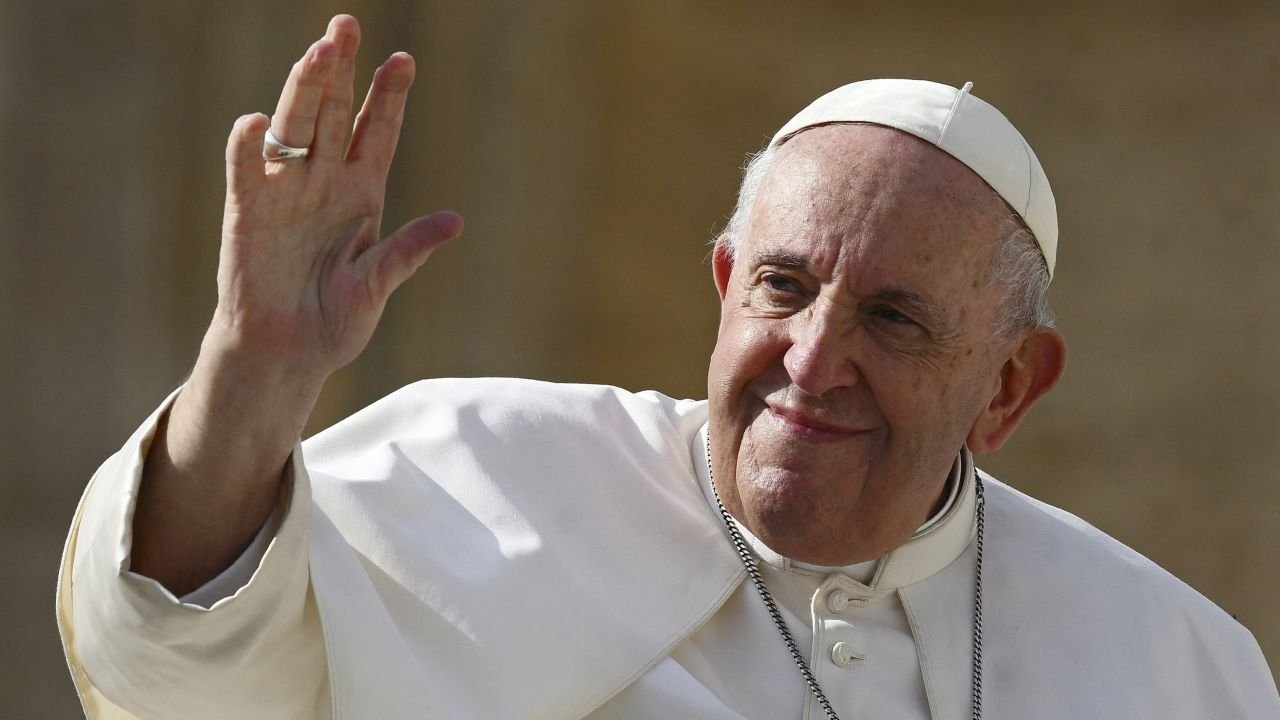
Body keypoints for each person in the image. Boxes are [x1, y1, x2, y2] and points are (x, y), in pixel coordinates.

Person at [58, 14, 1278, 720]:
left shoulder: (1176, 668)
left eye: (893, 320)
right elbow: (168, 675)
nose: (813, 359)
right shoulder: (477, 472)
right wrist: (251, 373)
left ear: (1008, 388)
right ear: (721, 285)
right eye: (783, 287)